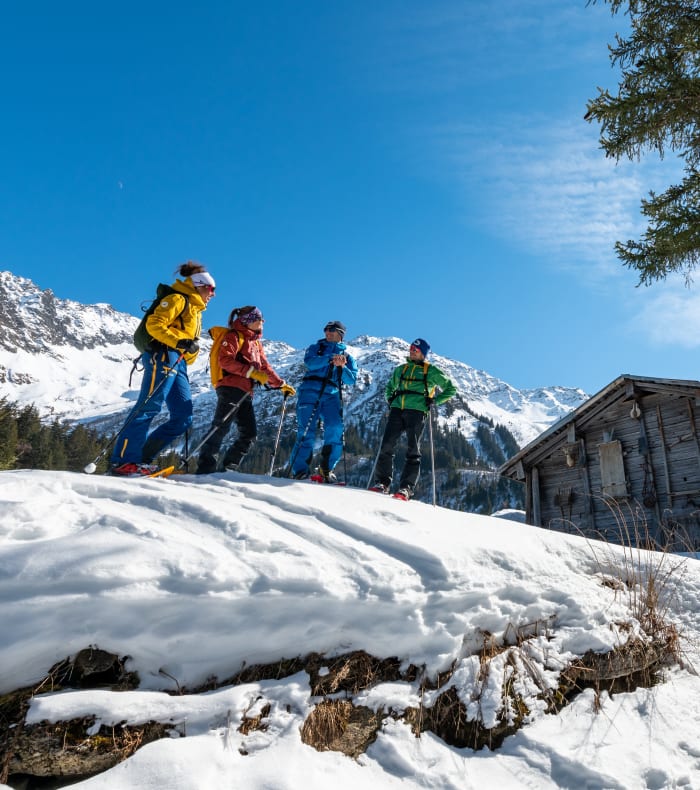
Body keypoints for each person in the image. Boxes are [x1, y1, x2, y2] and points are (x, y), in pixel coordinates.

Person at [110, 262, 215, 476]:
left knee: (183, 417)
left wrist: (188, 350)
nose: (213, 294)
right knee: (149, 405)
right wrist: (180, 342)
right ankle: (124, 461)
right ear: (198, 285)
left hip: (179, 361)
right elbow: (155, 325)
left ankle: (142, 459)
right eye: (210, 289)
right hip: (163, 354)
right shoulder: (177, 299)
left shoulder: (195, 310)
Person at [196, 306, 295, 474]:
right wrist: (251, 372)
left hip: (246, 392)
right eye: (258, 319)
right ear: (248, 321)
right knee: (220, 427)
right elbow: (225, 361)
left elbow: (264, 366)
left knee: (249, 433)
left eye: (262, 319)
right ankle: (205, 467)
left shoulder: (255, 343)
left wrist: (279, 384)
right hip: (230, 387)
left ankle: (229, 468)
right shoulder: (234, 336)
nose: (262, 322)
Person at [370, 338, 456, 500]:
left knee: (412, 450)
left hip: (417, 411)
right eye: (411, 348)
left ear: (423, 353)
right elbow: (390, 387)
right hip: (397, 409)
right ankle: (382, 483)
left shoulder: (431, 371)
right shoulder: (401, 369)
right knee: (386, 445)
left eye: (415, 349)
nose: (412, 351)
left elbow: (451, 388)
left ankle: (406, 488)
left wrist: (435, 400)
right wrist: (390, 399)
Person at [289, 320, 358, 482]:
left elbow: (350, 380)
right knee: (306, 431)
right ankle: (300, 471)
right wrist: (330, 358)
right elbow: (310, 363)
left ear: (340, 334)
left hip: (332, 394)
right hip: (309, 392)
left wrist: (342, 367)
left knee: (335, 428)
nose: (327, 332)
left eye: (332, 330)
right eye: (326, 329)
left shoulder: (348, 358)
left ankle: (326, 468)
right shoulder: (316, 348)